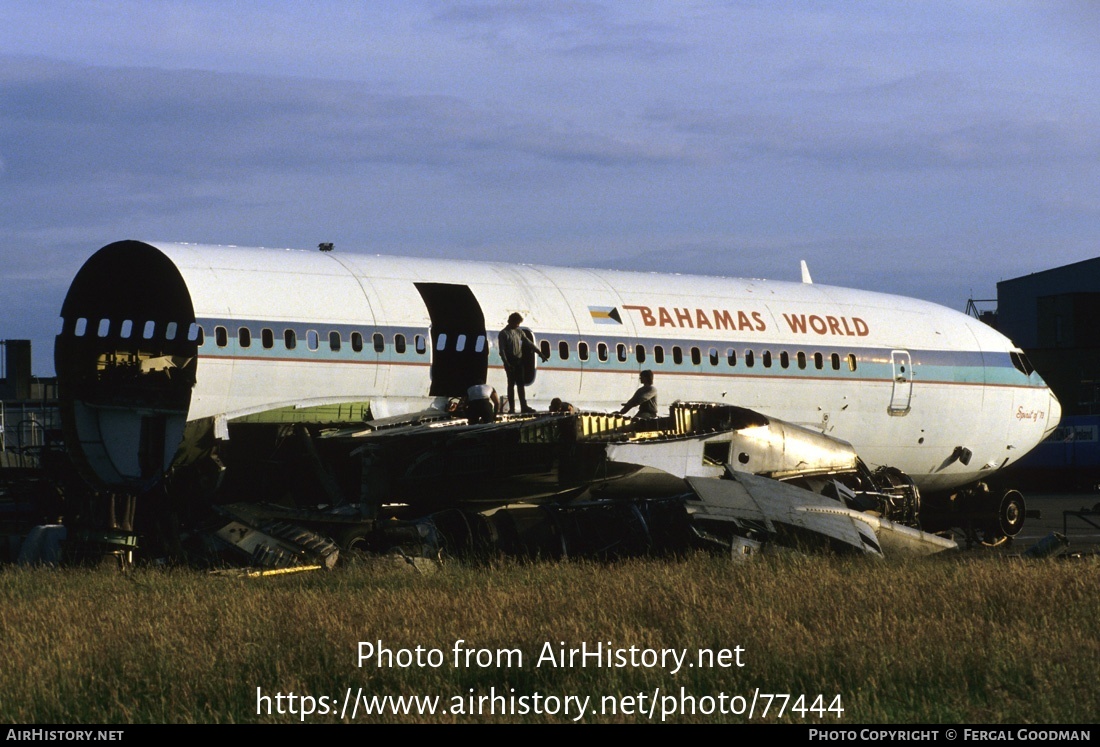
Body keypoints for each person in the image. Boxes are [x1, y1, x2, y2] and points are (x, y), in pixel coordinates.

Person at [498, 312, 549, 414]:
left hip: (518, 361)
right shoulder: (504, 334)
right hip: (510, 362)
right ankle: (512, 408)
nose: (518, 325)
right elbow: (502, 350)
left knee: (520, 385)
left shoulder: (519, 332)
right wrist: (506, 363)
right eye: (516, 323)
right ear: (511, 321)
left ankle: (523, 406)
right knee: (511, 385)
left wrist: (539, 353)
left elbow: (529, 343)